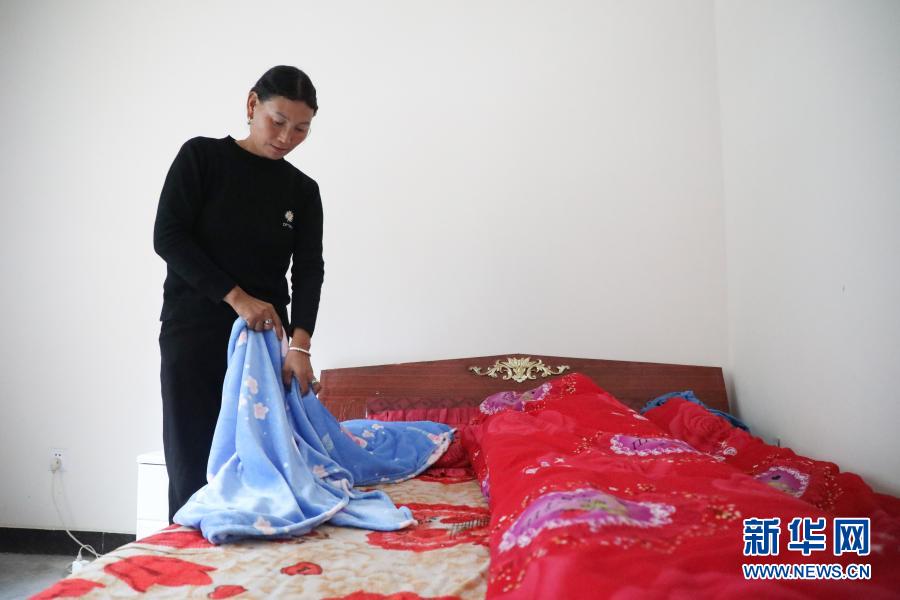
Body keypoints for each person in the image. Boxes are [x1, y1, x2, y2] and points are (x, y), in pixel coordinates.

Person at [153, 65, 324, 522]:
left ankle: (254, 554)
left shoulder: (303, 192)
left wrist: (301, 346)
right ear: (252, 105)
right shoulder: (202, 158)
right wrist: (237, 298)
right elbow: (168, 237)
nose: (287, 137)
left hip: (264, 345)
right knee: (192, 459)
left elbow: (309, 271)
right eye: (278, 121)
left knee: (261, 465)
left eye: (301, 128)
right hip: (194, 331)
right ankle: (189, 557)